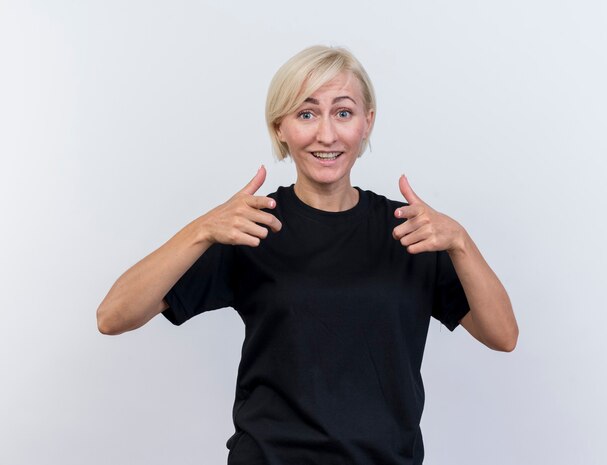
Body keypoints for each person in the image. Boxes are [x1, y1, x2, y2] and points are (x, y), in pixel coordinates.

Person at [97, 45, 518, 465]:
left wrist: (461, 241)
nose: (327, 135)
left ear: (367, 123)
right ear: (280, 126)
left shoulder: (410, 231)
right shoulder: (252, 226)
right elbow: (114, 316)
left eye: (343, 112)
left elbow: (503, 336)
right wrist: (202, 229)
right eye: (306, 113)